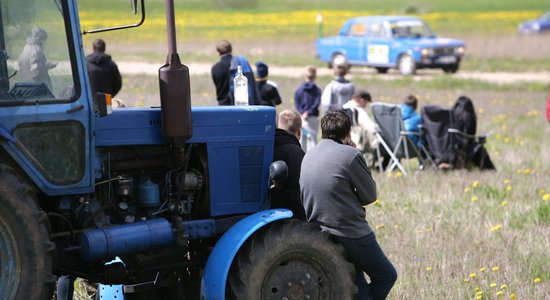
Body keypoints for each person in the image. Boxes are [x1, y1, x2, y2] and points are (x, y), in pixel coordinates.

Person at [300, 110, 397, 300]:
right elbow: (370, 195)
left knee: (357, 282)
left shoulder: (308, 155)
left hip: (320, 232)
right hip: (350, 232)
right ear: (348, 133)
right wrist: (355, 152)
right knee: (386, 276)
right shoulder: (350, 155)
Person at [271, 109, 306, 220]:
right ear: (299, 132)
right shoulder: (296, 153)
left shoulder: (267, 148)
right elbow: (297, 191)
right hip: (287, 217)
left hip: (267, 214)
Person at [343, 90, 379, 167]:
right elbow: (370, 127)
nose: (366, 104)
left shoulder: (343, 107)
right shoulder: (359, 110)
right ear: (362, 100)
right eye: (366, 102)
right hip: (358, 140)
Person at [294, 65, 321, 151]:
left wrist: (302, 112)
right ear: (315, 76)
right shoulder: (317, 90)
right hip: (312, 117)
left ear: (305, 75)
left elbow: (296, 102)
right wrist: (308, 112)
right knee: (312, 141)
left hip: (301, 117)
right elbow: (316, 103)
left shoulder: (299, 89)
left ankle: (302, 160)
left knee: (302, 141)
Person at [211, 40, 233, 105]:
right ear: (231, 50)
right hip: (237, 104)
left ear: (218, 52)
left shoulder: (215, 68)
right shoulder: (238, 64)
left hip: (223, 104)